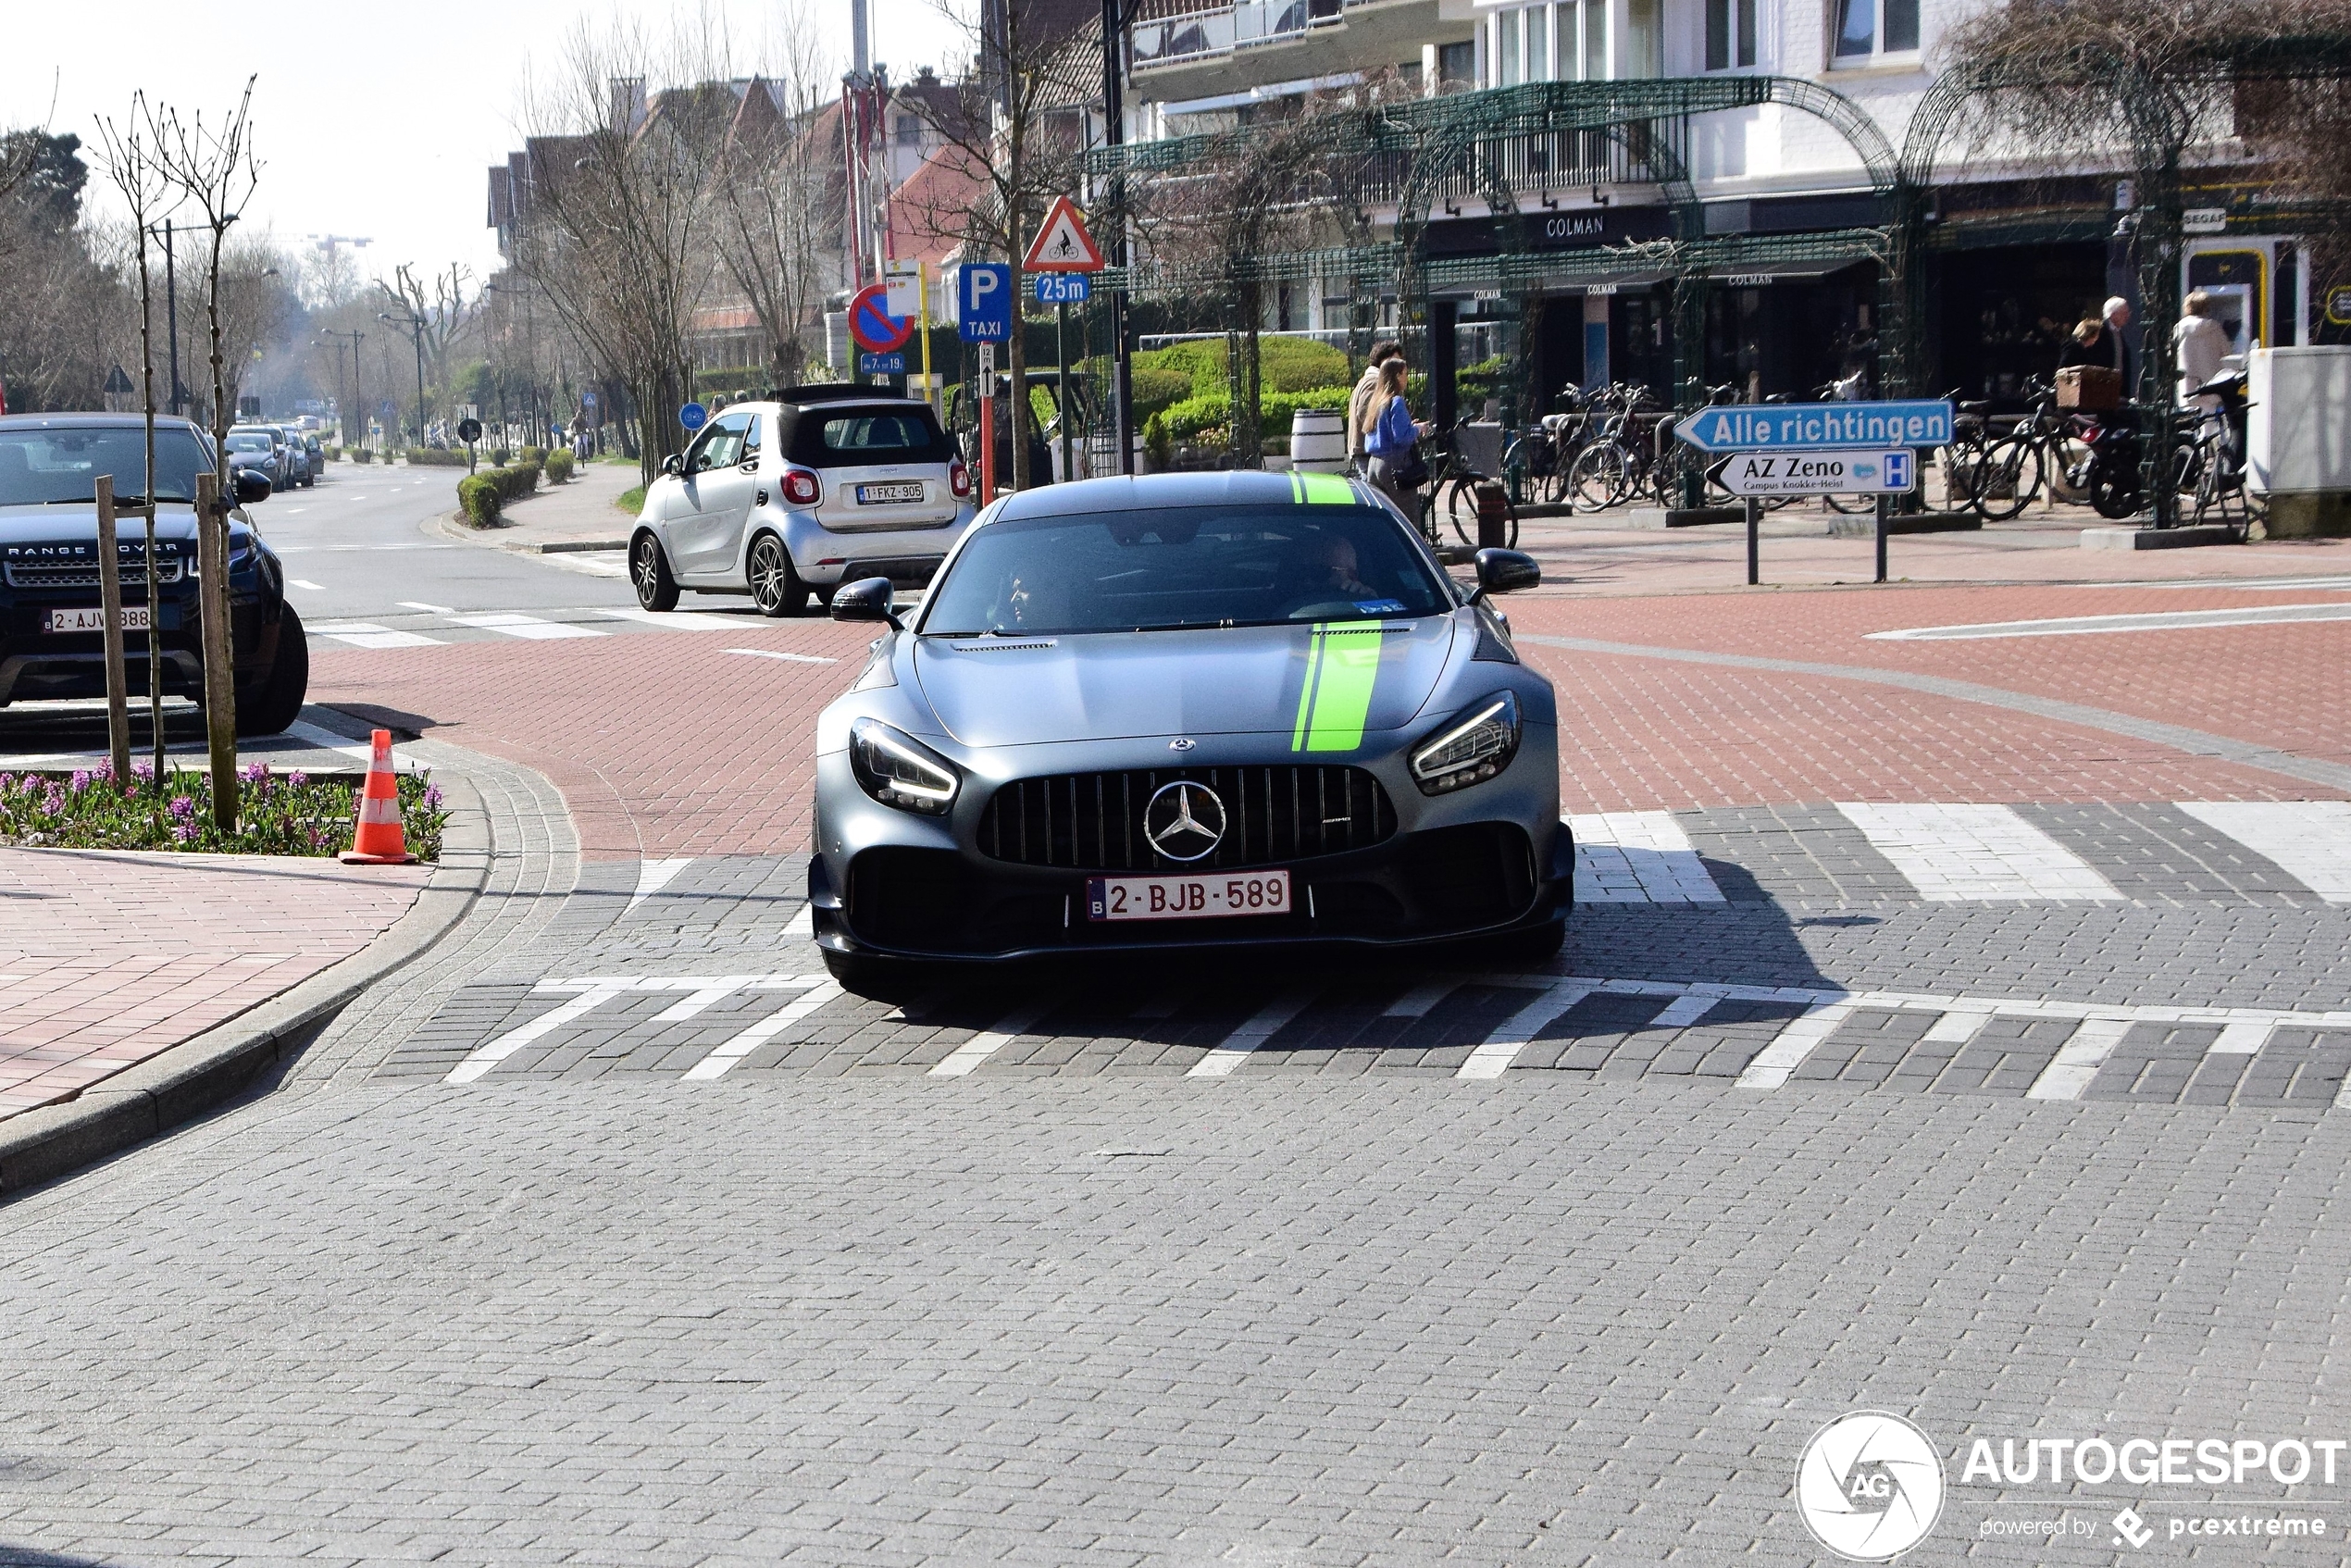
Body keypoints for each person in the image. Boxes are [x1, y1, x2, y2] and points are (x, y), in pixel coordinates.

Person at [1362, 358, 1427, 512]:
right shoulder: (1396, 401)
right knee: (1407, 515)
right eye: (1405, 374)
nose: (1407, 378)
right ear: (1397, 376)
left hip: (1374, 464)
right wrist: (1418, 428)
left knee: (1382, 514)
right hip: (1394, 464)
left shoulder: (1376, 402)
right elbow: (1401, 437)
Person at [1349, 340, 1402, 471]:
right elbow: (1365, 413)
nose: (1398, 365)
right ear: (1383, 361)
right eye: (1394, 360)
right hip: (1368, 450)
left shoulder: (1371, 379)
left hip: (1368, 449)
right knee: (1375, 491)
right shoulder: (1374, 381)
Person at [2174, 289, 2231, 410]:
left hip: (2188, 382)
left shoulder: (2179, 328)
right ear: (2206, 307)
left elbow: (2171, 354)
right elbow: (2227, 351)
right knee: (2209, 420)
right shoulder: (2214, 327)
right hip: (2211, 381)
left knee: (2189, 419)